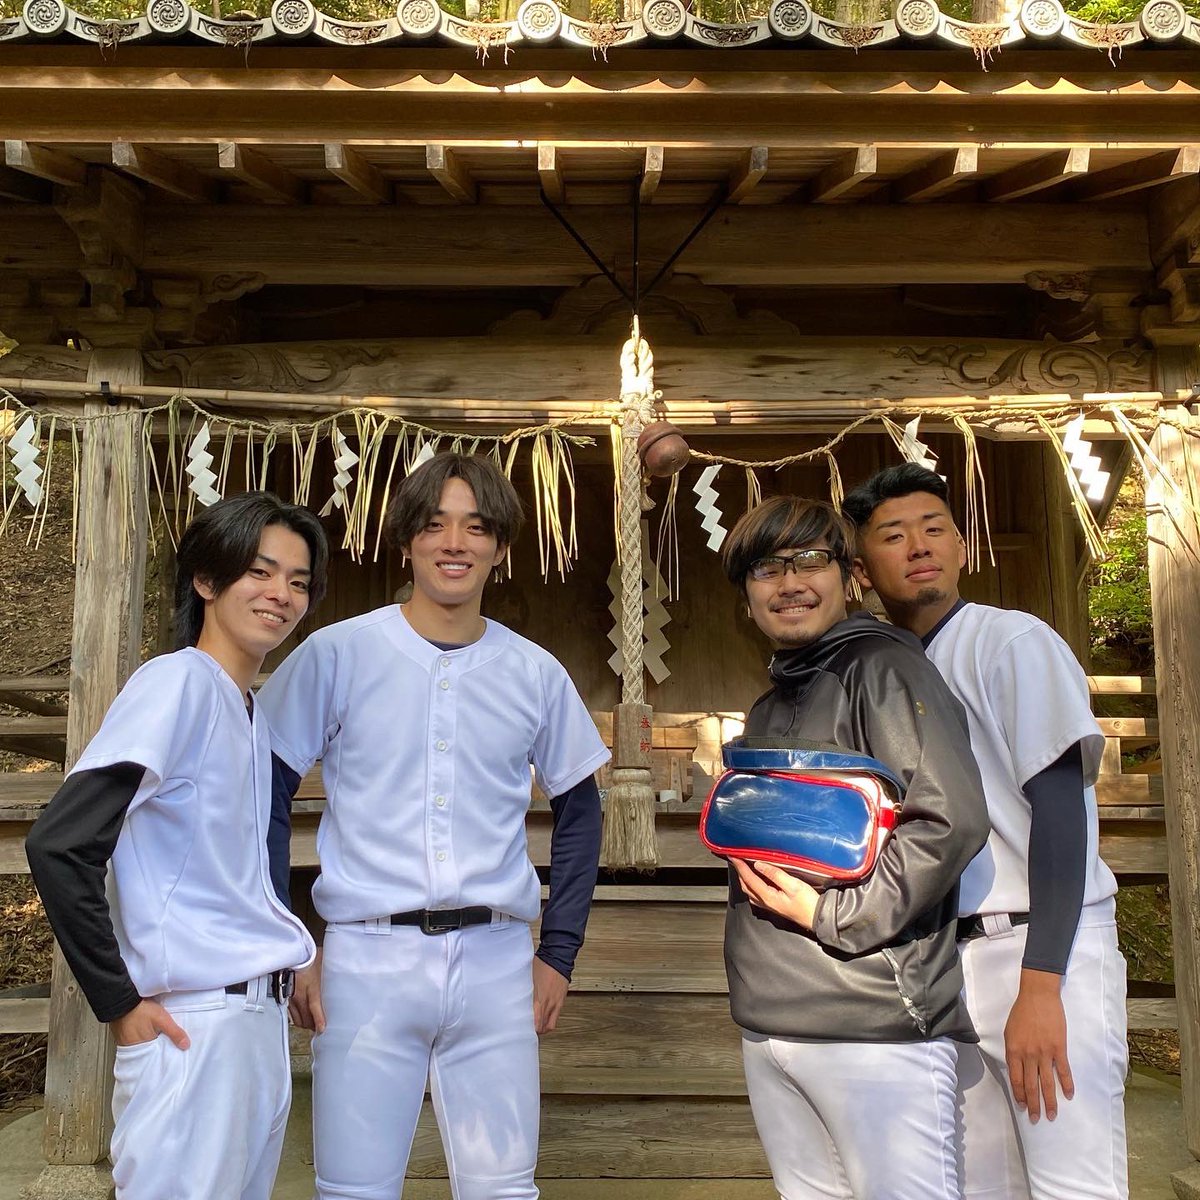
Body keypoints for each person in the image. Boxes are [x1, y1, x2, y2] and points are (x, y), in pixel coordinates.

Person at [258, 451, 609, 1200]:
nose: (455, 543)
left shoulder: (534, 671)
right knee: (352, 1189)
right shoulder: (338, 654)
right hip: (366, 956)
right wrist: (292, 943)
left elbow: (581, 810)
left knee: (504, 1189)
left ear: (500, 548)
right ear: (407, 541)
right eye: (435, 524)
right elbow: (264, 795)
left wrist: (559, 952)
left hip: (496, 960)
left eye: (476, 528)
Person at [26, 491, 329, 1200]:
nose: (281, 594)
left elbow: (235, 872)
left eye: (298, 581)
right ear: (206, 580)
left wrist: (297, 951)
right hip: (194, 1027)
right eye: (259, 571)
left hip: (252, 1025)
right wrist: (118, 1002)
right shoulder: (177, 684)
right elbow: (61, 843)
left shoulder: (247, 710)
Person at [845, 462, 1128, 1200]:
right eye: (893, 536)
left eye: (934, 529)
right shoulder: (885, 672)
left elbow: (1061, 812)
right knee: (981, 1186)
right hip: (950, 958)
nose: (919, 546)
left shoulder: (1010, 641)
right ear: (861, 569)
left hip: (1040, 943)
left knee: (1072, 1184)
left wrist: (1042, 986)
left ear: (962, 546)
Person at [717, 495, 990, 1200]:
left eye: (810, 560)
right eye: (766, 568)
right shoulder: (773, 700)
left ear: (851, 576)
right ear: (747, 595)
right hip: (772, 1020)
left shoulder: (882, 668)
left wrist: (835, 915)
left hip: (872, 1022)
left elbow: (950, 818)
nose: (790, 582)